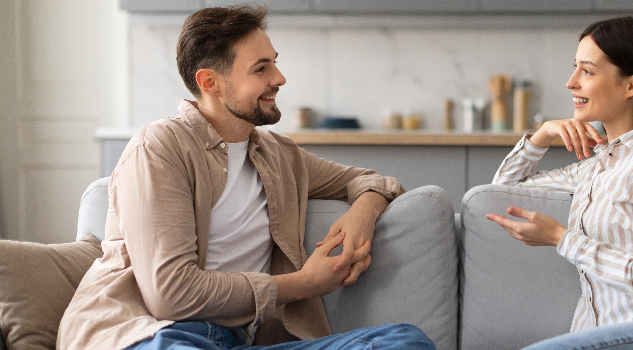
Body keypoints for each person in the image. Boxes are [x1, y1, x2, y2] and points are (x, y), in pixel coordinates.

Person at [56, 5, 435, 350]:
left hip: (239, 343)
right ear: (210, 83)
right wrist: (307, 282)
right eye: (261, 68)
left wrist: (361, 216)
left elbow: (373, 180)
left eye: (275, 63)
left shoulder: (279, 155)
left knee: (405, 341)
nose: (280, 77)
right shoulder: (160, 146)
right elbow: (170, 294)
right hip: (158, 335)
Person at [486, 16, 633, 350]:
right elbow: (500, 192)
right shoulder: (596, 168)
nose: (571, 82)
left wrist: (562, 238)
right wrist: (542, 136)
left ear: (632, 85)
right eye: (575, 68)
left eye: (587, 71)